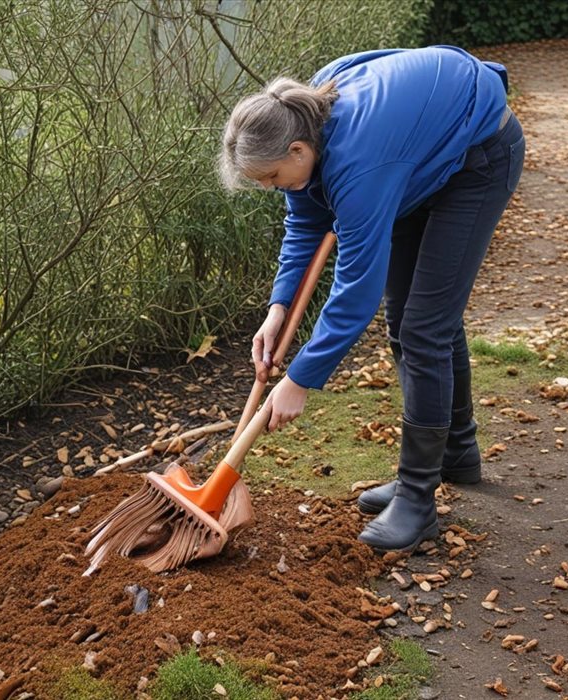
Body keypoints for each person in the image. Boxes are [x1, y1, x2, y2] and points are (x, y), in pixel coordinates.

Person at [219, 45, 525, 553]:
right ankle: (457, 454)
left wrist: (300, 380)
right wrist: (277, 310)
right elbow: (304, 222)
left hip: (478, 157)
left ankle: (418, 498)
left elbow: (356, 292)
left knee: (424, 327)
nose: (274, 188)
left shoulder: (359, 165)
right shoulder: (300, 121)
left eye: (272, 177)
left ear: (298, 151)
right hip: (416, 160)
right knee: (410, 320)